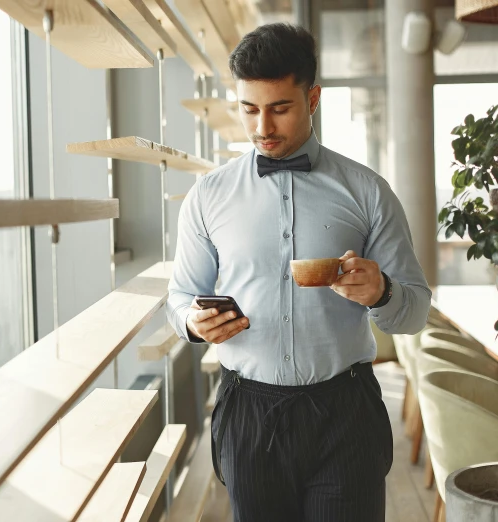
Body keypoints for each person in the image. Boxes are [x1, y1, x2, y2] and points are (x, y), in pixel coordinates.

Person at [166, 23, 431, 521]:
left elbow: (415, 312)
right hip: (248, 411)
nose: (262, 126)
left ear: (313, 99)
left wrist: (382, 292)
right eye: (249, 109)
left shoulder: (368, 192)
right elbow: (180, 298)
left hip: (346, 412)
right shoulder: (208, 197)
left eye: (280, 108)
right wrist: (191, 323)